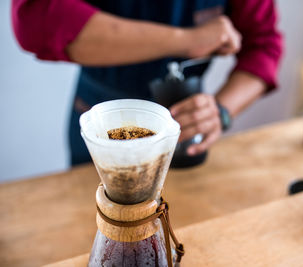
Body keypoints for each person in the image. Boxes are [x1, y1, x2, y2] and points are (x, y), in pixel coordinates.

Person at [12, 0, 283, 166]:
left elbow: (264, 44)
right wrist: (186, 41)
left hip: (185, 139)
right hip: (99, 125)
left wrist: (220, 111)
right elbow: (34, 18)